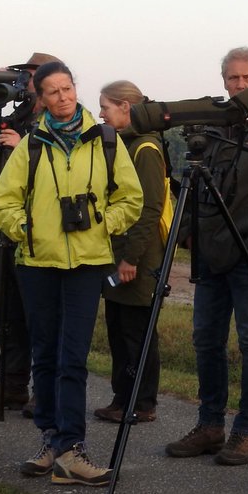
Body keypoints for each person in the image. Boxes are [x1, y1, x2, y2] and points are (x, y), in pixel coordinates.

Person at [0, 61, 142, 486]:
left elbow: (131, 198)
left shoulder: (106, 139)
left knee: (72, 358)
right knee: (47, 355)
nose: (63, 96)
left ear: (76, 89)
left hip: (87, 265)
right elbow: (3, 201)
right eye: (53, 91)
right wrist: (28, 232)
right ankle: (51, 441)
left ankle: (71, 450)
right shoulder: (32, 145)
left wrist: (102, 226)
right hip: (37, 264)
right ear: (42, 97)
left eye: (68, 88)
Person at [163, 47, 248, 465]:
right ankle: (209, 425)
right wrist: (188, 234)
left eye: (247, 78)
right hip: (209, 254)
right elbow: (193, 184)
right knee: (206, 341)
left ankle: (247, 432)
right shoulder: (215, 126)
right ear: (224, 80)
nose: (239, 85)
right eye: (232, 78)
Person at [0, 52, 60, 415]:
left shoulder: (63, 118)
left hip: (39, 229)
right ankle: (11, 385)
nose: (27, 81)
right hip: (5, 226)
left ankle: (46, 390)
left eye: (33, 75)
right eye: (23, 76)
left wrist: (21, 143)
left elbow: (61, 161)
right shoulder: (20, 114)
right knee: (7, 313)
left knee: (40, 315)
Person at [93, 80, 168, 423]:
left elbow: (149, 209)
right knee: (118, 328)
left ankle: (143, 402)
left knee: (137, 332)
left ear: (126, 107)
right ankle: (122, 397)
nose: (101, 114)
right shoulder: (124, 144)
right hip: (119, 252)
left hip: (138, 256)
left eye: (106, 107)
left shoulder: (146, 149)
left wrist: (131, 259)